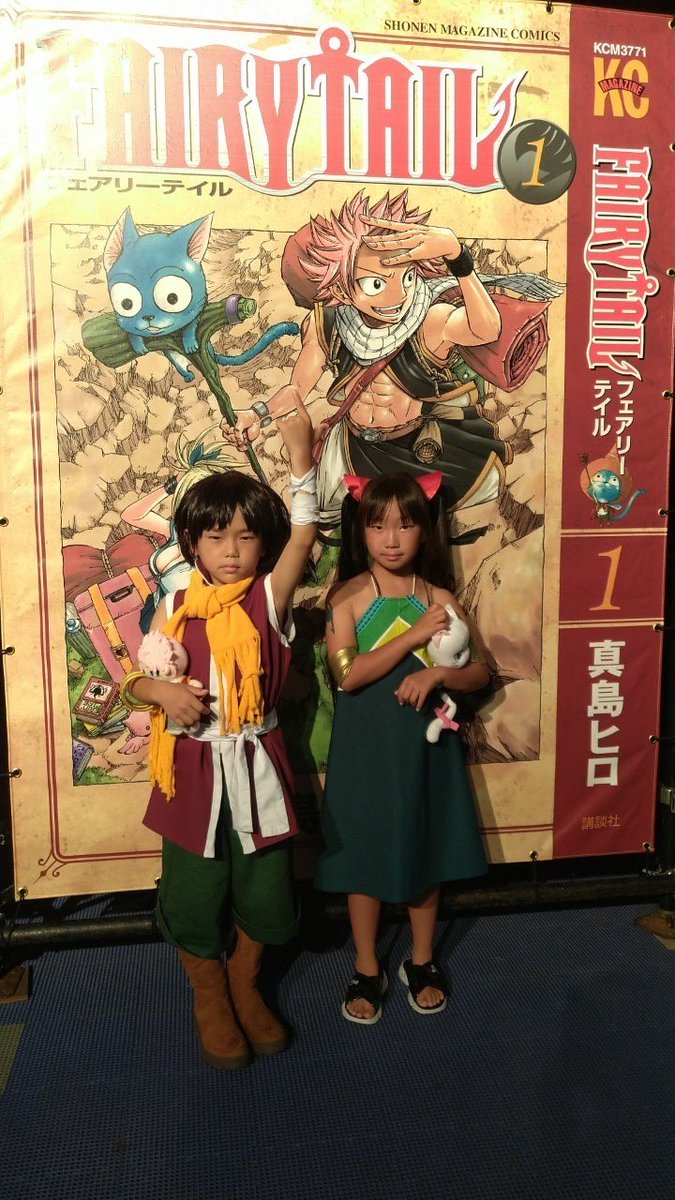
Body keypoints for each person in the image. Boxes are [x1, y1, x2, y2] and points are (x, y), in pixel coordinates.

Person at [120, 395, 318, 1069]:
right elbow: (135, 681)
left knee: (266, 885)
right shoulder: (174, 605)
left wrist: (300, 457)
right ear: (191, 542)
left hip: (258, 765)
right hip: (192, 770)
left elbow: (305, 534)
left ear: (263, 543)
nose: (230, 551)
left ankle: (245, 982)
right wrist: (163, 691)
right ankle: (208, 993)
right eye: (214, 537)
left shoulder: (268, 598)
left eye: (245, 537)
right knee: (194, 888)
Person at [316, 470, 489, 1023]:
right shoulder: (345, 598)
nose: (391, 539)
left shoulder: (440, 598)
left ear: (424, 530)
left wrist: (437, 674)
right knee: (362, 853)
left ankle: (421, 959)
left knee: (424, 847)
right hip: (365, 752)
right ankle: (367, 965)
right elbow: (347, 675)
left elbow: (480, 673)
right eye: (378, 525)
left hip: (423, 751)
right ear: (361, 530)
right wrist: (415, 636)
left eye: (406, 524)